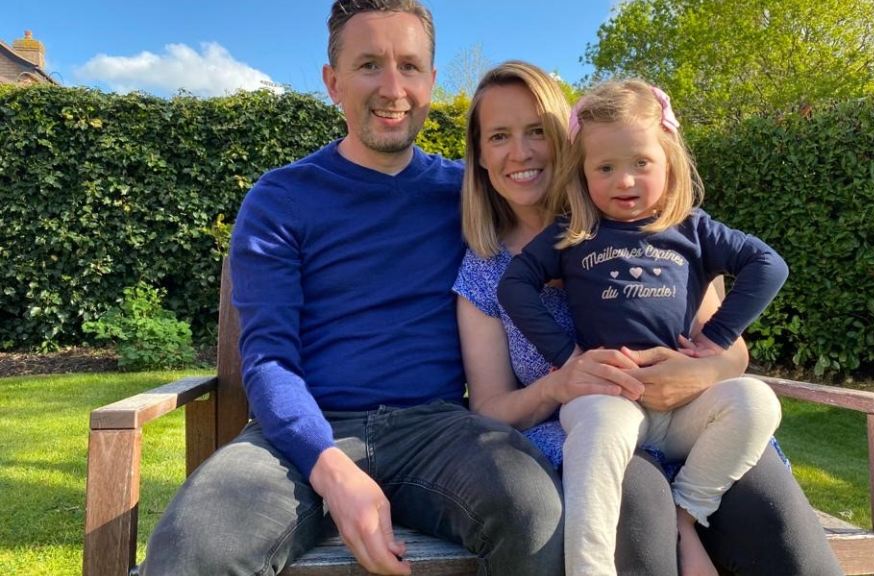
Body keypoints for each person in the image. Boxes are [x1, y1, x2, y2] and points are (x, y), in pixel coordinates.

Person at [141, 2, 565, 575]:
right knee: (193, 545)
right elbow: (268, 358)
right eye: (369, 65)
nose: (393, 87)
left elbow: (575, 204)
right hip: (296, 437)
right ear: (332, 82)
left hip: (438, 429)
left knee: (535, 511)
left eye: (410, 67)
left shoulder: (471, 192)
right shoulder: (281, 200)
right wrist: (330, 468)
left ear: (432, 82)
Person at [455, 63, 844, 575]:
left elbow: (732, 352)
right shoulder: (485, 271)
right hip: (594, 435)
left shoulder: (664, 226)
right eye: (499, 136)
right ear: (481, 155)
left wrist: (696, 372)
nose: (521, 152)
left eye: (536, 132)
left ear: (565, 143)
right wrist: (561, 382)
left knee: (765, 501)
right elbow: (490, 409)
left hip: (695, 430)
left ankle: (692, 515)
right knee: (634, 495)